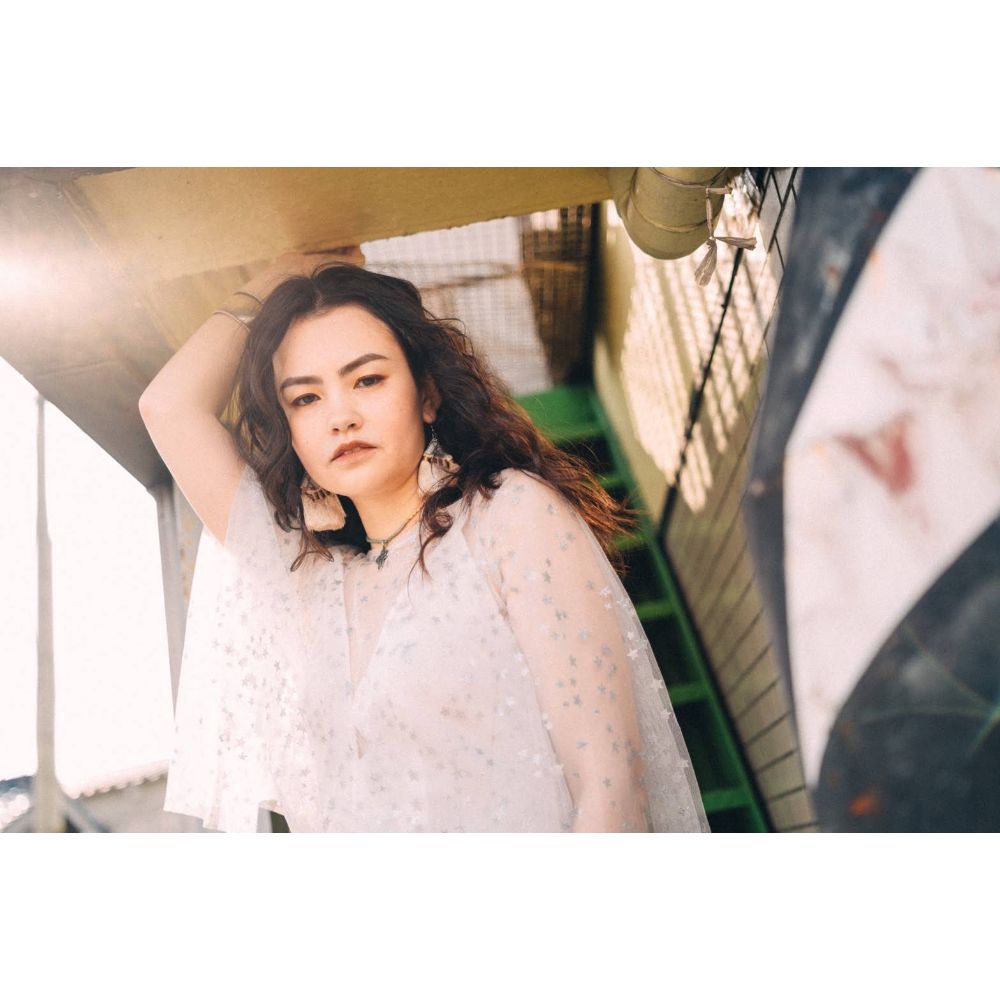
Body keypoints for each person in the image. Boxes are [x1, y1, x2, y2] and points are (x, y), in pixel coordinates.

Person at [139, 249, 710, 833]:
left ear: (428, 394)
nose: (341, 416)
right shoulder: (307, 580)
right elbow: (167, 407)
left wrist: (301, 272)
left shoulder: (508, 517)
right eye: (306, 398)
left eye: (367, 379)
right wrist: (284, 273)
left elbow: (611, 787)